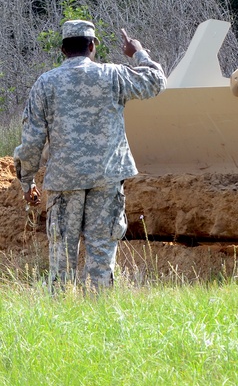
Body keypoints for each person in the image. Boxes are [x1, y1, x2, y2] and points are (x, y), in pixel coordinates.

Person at [14, 20, 166, 290]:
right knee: (102, 254)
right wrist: (138, 52)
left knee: (61, 257)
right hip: (106, 179)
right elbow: (155, 82)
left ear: (62, 49)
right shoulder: (113, 75)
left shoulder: (45, 84)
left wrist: (27, 182)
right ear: (92, 46)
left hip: (64, 181)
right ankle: (99, 311)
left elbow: (32, 140)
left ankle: (61, 316)